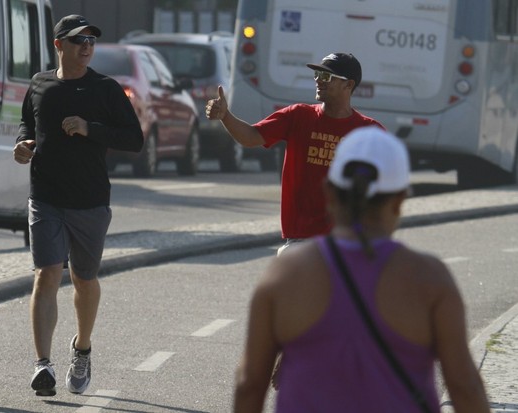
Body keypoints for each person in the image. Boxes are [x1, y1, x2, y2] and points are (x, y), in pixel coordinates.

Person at [233, 126, 491, 412]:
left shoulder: (284, 276)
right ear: (400, 199)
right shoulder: (429, 279)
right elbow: (464, 386)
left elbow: (249, 385)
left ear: (330, 192)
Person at [13, 14, 143, 397]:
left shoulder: (105, 89)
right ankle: (42, 365)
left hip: (89, 201)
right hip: (46, 196)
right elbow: (26, 124)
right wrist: (23, 145)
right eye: (77, 40)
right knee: (46, 274)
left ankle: (82, 347)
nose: (86, 46)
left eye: (91, 40)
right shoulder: (39, 84)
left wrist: (91, 129)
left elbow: (134, 139)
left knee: (84, 280)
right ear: (59, 45)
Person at [206, 53, 383, 255]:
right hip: (301, 241)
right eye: (317, 74)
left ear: (348, 85)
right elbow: (251, 137)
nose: (318, 80)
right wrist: (226, 117)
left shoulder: (370, 132)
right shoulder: (297, 115)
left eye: (326, 77)